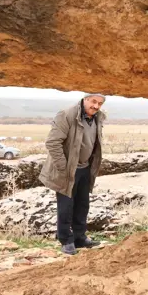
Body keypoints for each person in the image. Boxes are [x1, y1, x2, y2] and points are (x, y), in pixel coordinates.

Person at [40, 93, 106, 255]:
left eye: (99, 103)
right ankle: (66, 240)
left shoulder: (98, 117)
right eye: (93, 101)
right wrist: (64, 167)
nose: (96, 106)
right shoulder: (66, 115)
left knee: (82, 205)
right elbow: (52, 142)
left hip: (85, 168)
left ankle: (79, 238)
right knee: (66, 206)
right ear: (85, 99)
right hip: (67, 170)